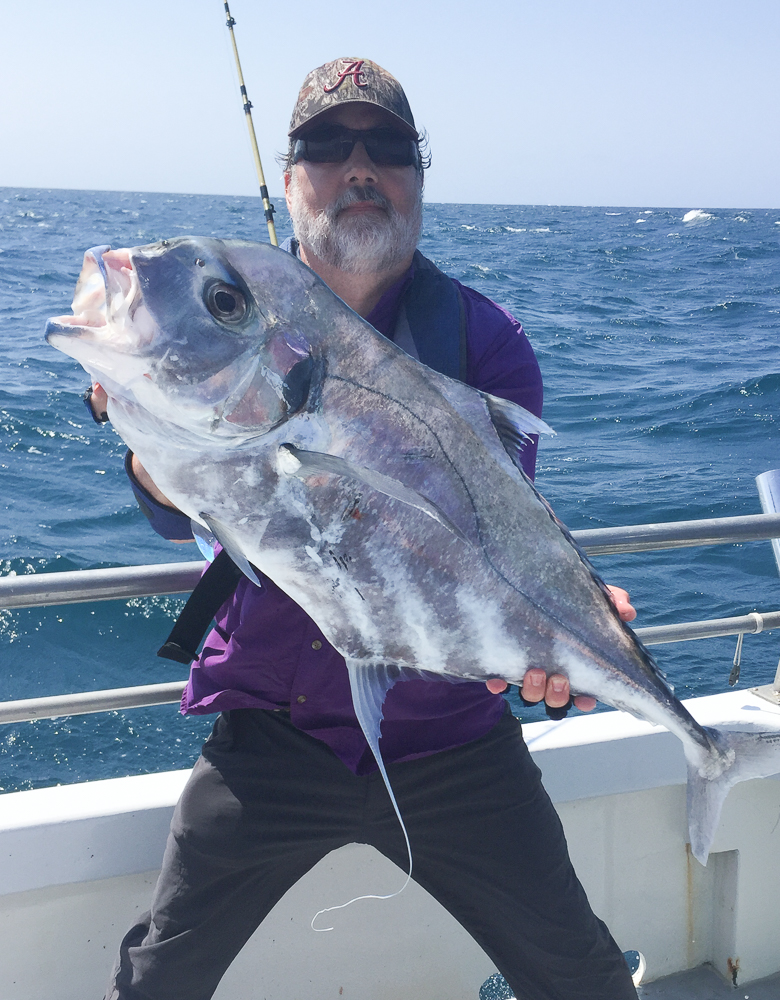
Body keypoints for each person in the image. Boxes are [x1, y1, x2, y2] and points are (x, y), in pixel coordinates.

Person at [96, 58, 639, 1000]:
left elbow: (495, 545)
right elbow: (172, 502)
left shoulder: (484, 341)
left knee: (578, 973)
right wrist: (153, 435)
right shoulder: (237, 316)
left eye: (387, 147)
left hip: (449, 731)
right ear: (290, 177)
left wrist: (565, 626)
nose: (359, 169)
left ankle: (711, 750)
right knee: (158, 977)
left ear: (418, 177)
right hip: (272, 726)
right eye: (326, 146)